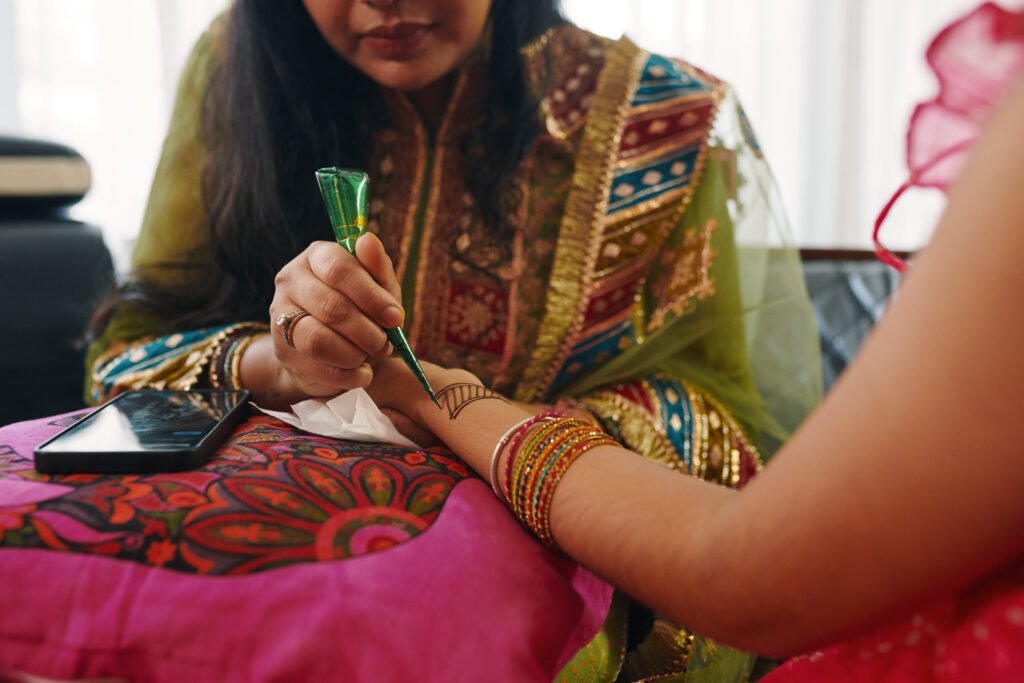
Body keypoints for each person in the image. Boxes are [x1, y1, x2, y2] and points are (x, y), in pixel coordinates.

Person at [84, 0, 820, 678]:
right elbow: (126, 365)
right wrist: (283, 360)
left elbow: (720, 438)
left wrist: (461, 418)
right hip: (270, 575)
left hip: (550, 583)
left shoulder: (661, 120)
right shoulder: (244, 69)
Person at [360, 11, 1024, 683]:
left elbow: (761, 567)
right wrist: (267, 356)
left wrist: (450, 401)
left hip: (630, 551)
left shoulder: (666, 117)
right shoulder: (269, 109)